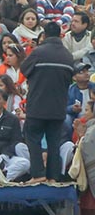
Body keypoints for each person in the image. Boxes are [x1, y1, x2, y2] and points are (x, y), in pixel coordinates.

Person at [21, 21, 75, 181]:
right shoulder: (67, 55)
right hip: (58, 108)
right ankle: (53, 177)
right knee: (54, 142)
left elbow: (24, 69)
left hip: (37, 106)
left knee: (33, 138)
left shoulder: (38, 52)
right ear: (60, 35)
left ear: (44, 35)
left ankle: (38, 174)